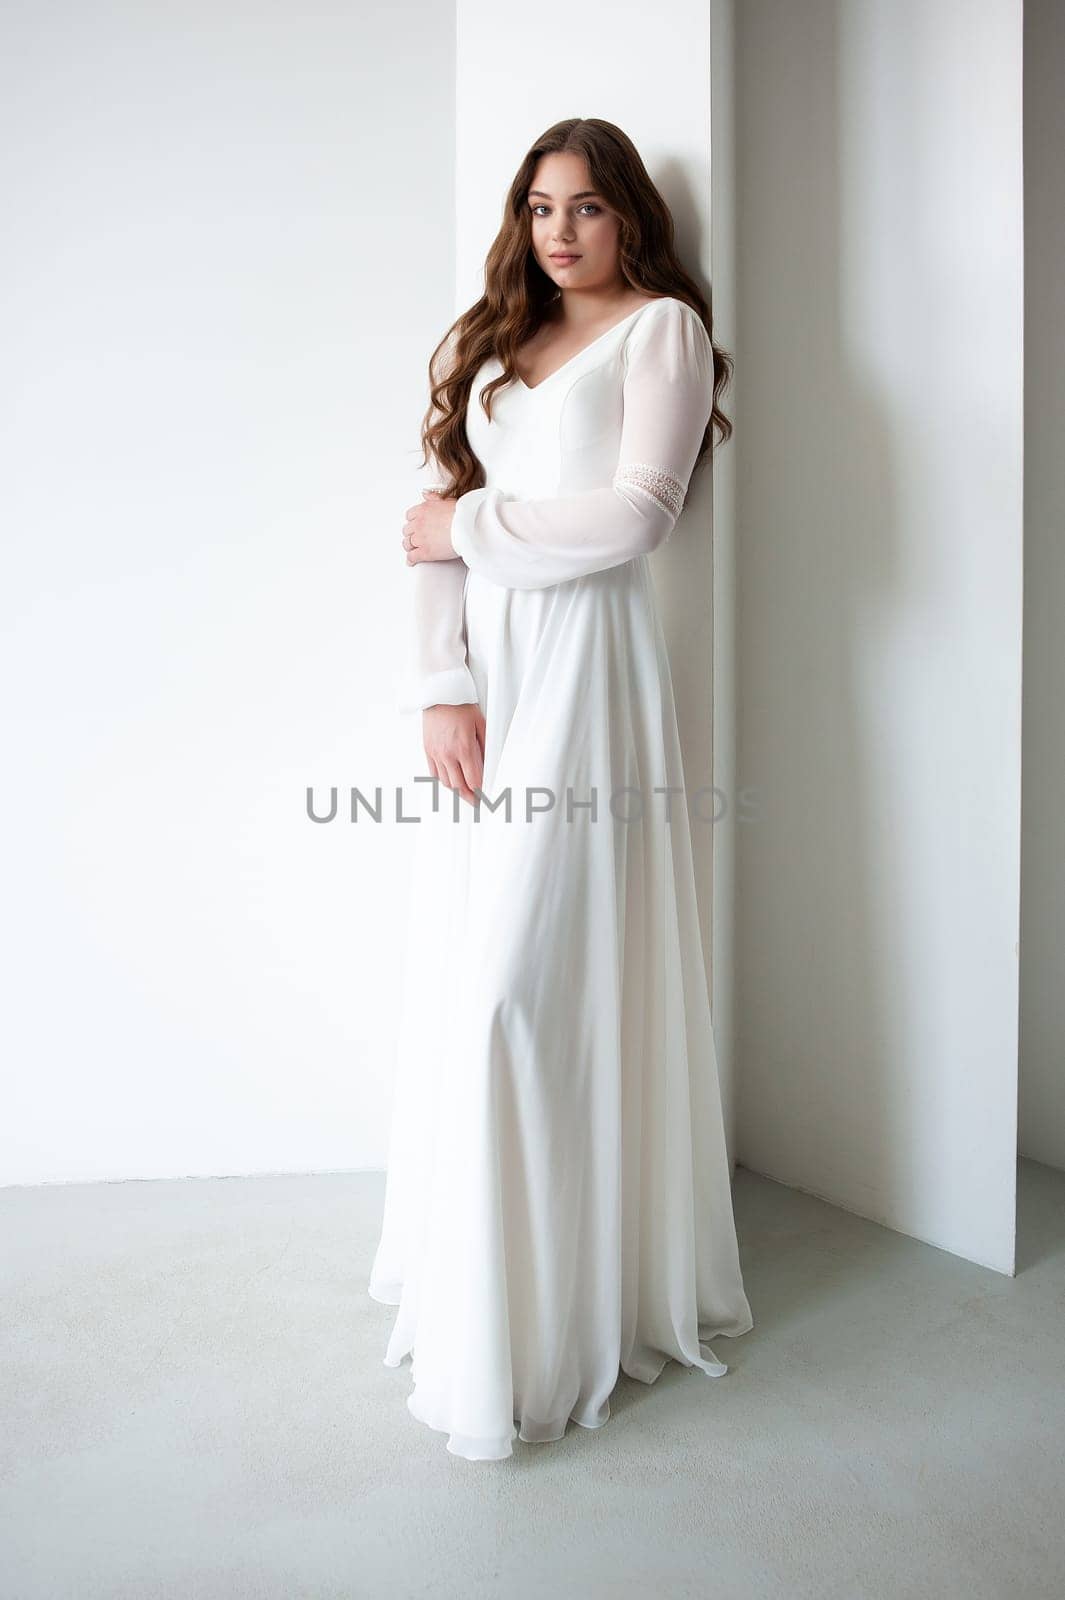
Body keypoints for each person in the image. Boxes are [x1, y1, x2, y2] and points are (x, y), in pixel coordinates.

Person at [368, 117, 754, 1462]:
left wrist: (468, 530)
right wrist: (440, 688)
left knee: (517, 995)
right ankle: (492, 1303)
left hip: (590, 674)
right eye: (540, 205)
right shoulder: (491, 343)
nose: (560, 230)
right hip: (492, 685)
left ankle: (561, 1316)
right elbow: (426, 524)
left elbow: (636, 514)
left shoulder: (659, 331)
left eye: (586, 207)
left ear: (627, 217)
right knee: (466, 972)